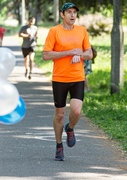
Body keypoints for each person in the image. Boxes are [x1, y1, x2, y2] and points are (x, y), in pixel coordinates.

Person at [42, 2, 93, 161]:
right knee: (60, 114)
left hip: (77, 77)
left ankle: (70, 128)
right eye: (69, 12)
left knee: (76, 111)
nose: (72, 15)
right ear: (62, 15)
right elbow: (46, 55)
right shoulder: (54, 31)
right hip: (60, 78)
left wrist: (81, 56)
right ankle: (59, 145)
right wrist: (68, 52)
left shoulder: (82, 31)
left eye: (74, 12)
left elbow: (89, 53)